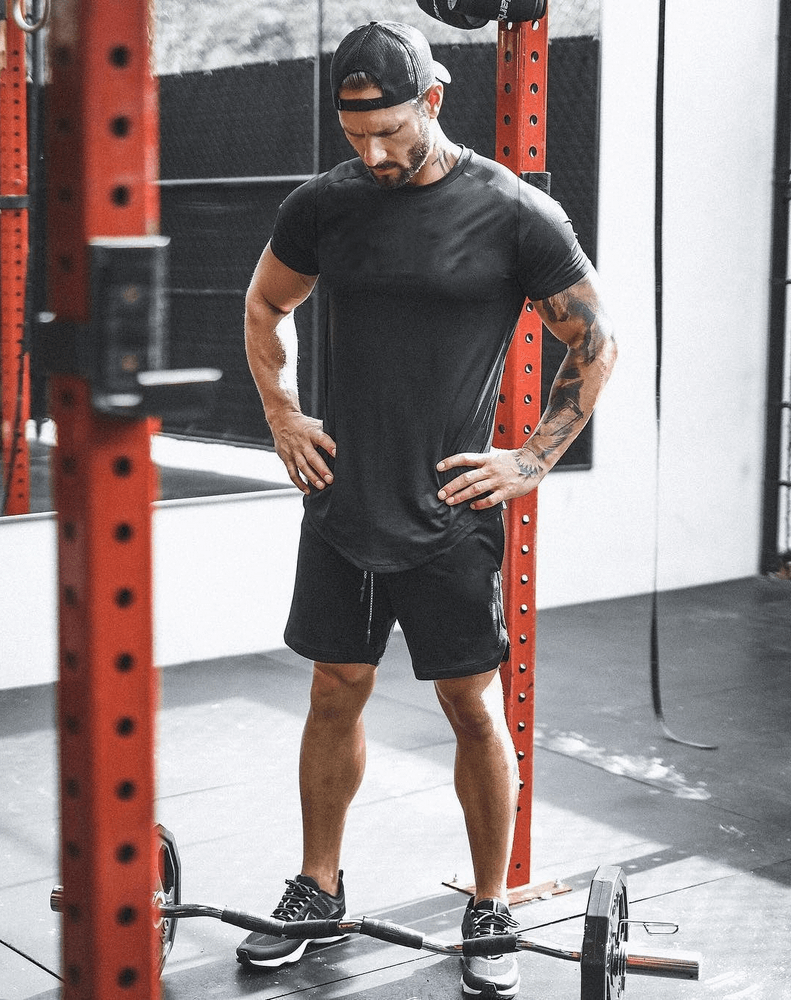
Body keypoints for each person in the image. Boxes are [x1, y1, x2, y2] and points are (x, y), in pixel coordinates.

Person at [236, 20, 616, 1000]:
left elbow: (596, 337)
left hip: (448, 511)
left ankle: (489, 901)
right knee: (332, 692)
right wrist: (280, 413)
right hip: (339, 501)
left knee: (467, 706)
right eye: (354, 135)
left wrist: (530, 456)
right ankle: (319, 888)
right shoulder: (325, 203)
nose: (371, 154)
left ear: (433, 103)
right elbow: (263, 304)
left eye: (391, 132)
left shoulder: (510, 212)